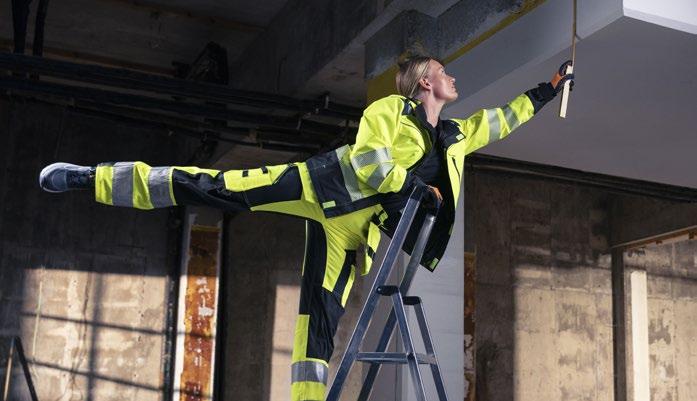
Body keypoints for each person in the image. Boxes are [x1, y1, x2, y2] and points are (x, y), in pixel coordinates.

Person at [39, 55, 573, 401]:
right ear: (425, 82)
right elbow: (368, 161)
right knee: (220, 187)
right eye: (444, 70)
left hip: (350, 232)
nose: (454, 77)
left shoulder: (453, 137)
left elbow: (500, 120)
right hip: (320, 187)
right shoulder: (390, 109)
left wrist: (549, 90)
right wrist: (413, 187)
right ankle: (93, 178)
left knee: (319, 319)